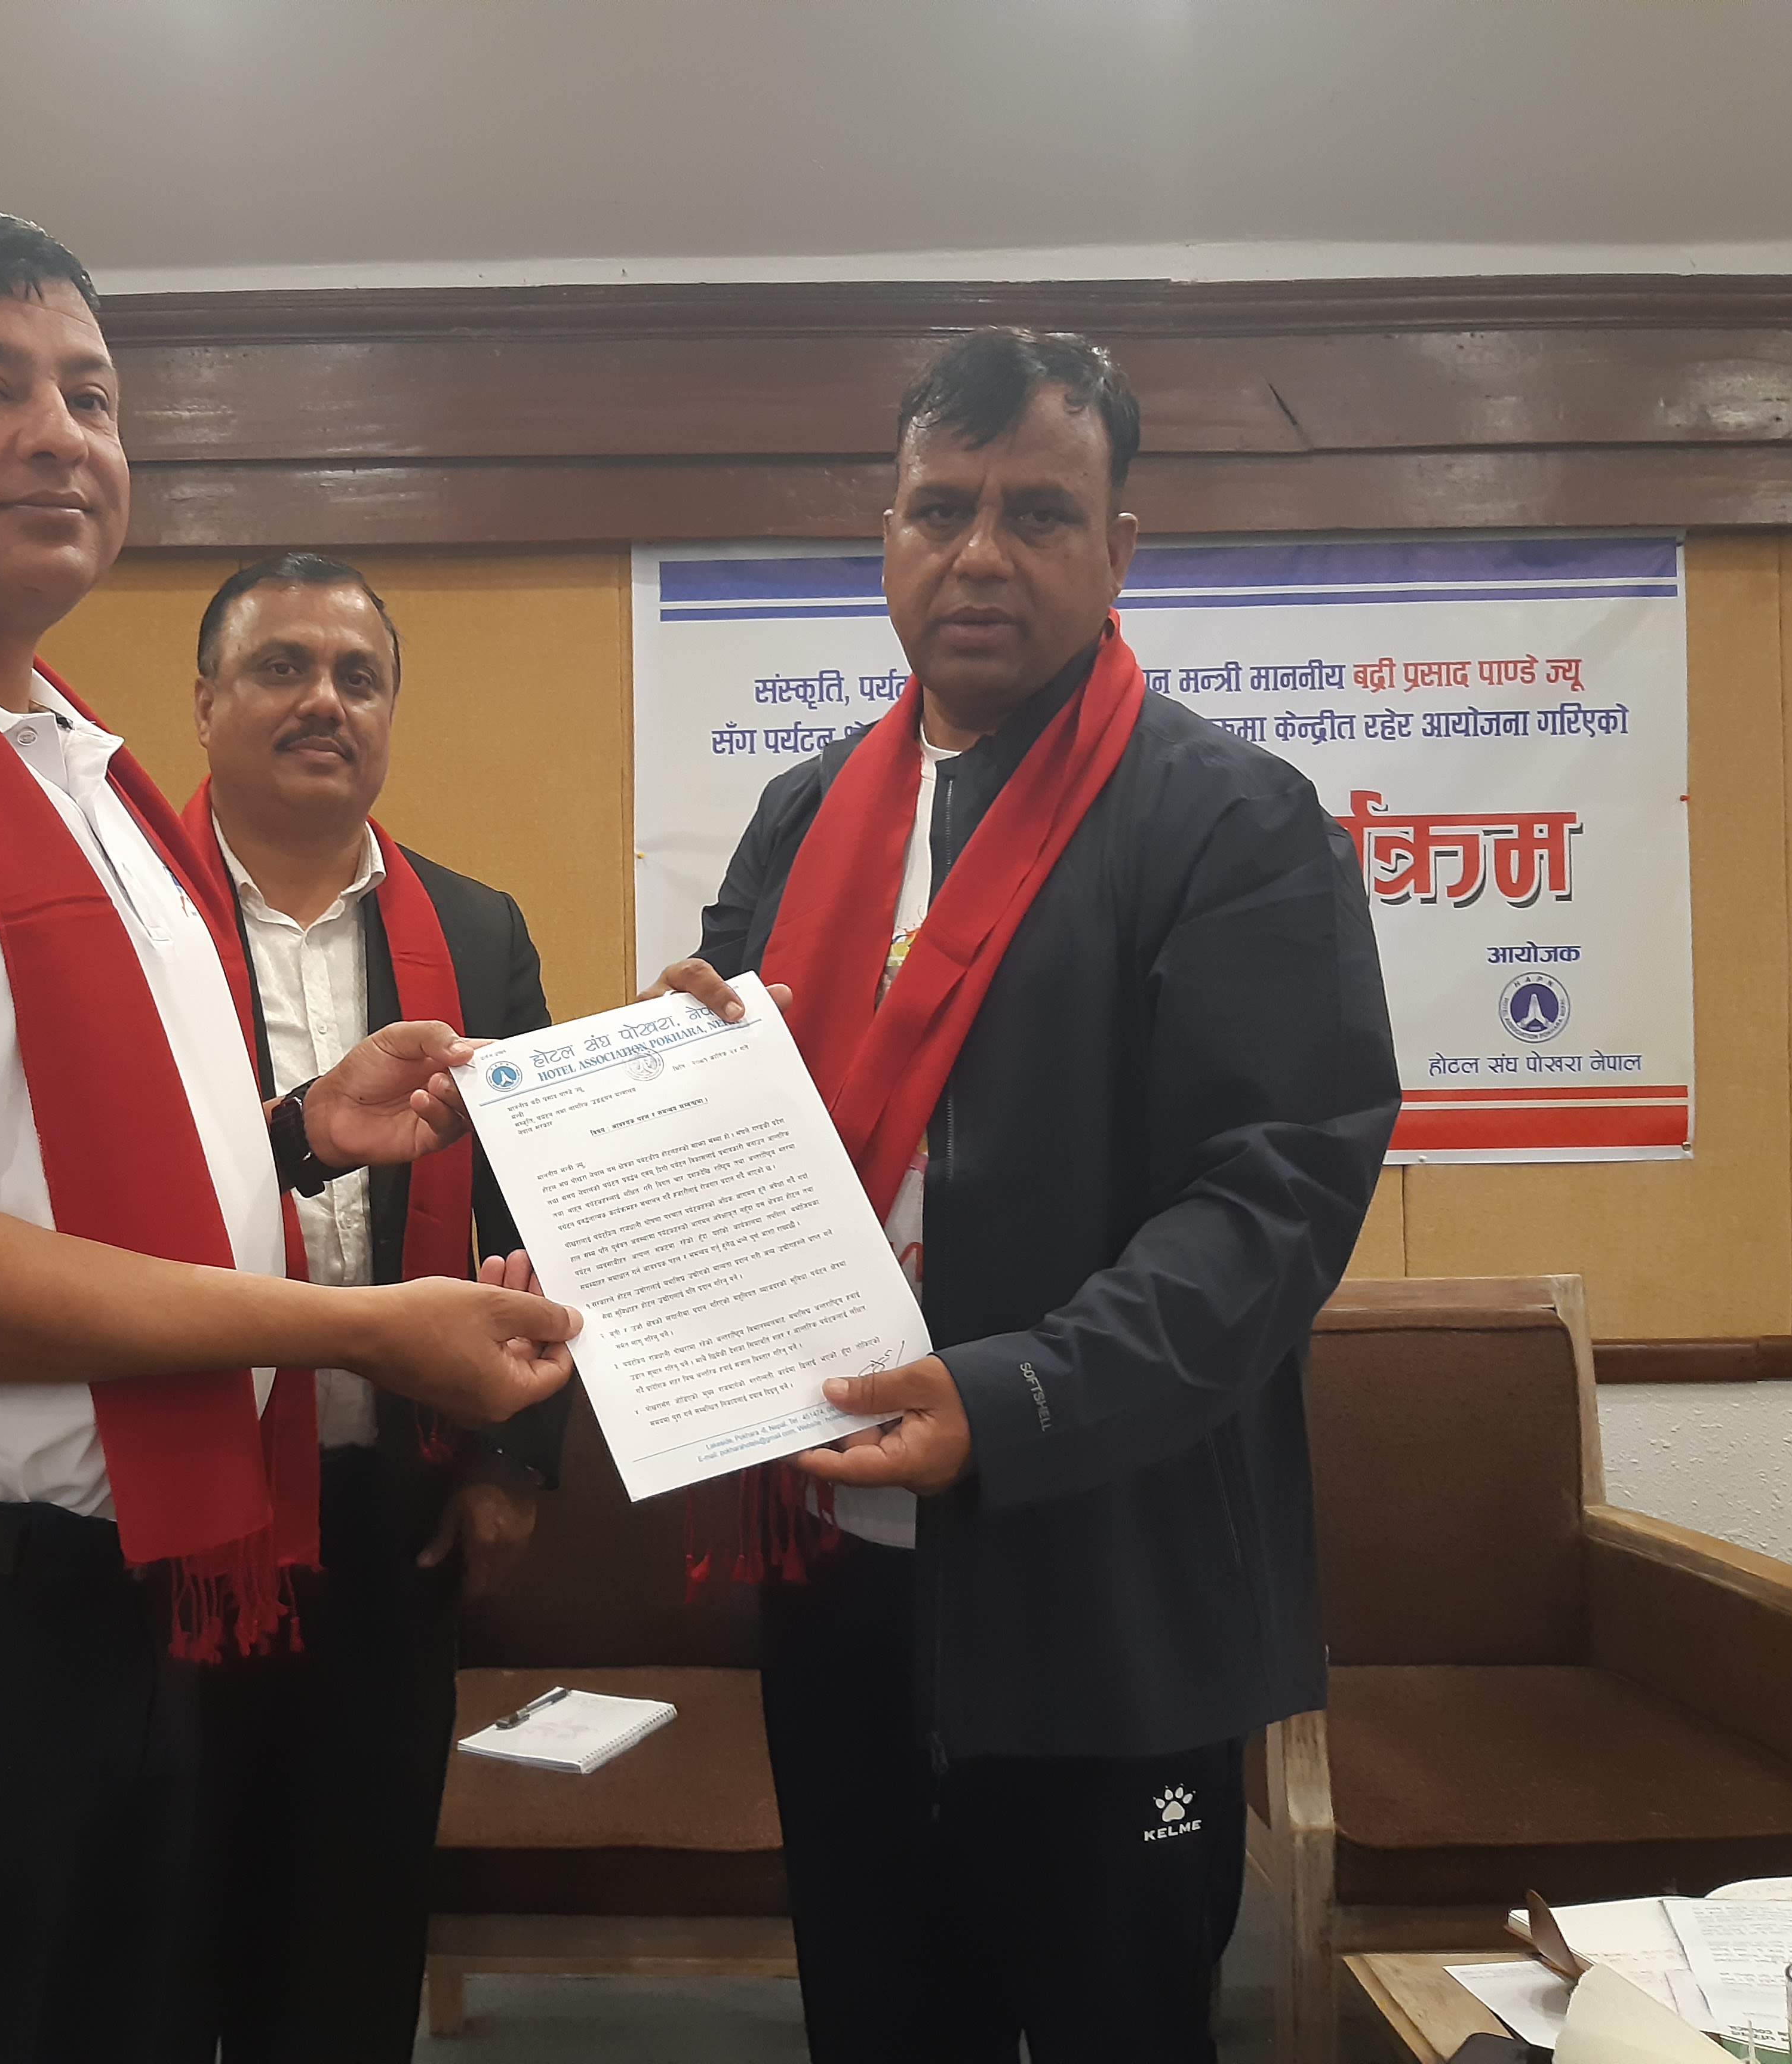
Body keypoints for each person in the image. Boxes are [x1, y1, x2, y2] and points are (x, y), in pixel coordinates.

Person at [0, 209, 575, 2064]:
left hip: (117, 1612)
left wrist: (299, 1134)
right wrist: (366, 1331)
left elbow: (50, 1163)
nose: (59, 435)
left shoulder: (68, 757)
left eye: (92, 396)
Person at [655, 327, 1398, 2062]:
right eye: (942, 509)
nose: (979, 553)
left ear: (1119, 551)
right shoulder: (800, 815)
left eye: (1037, 513)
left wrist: (1009, 1397)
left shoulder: (1235, 820)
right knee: (876, 2019)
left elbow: (1271, 1206)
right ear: (888, 537)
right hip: (838, 1560)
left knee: (1111, 2025)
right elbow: (749, 1145)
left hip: (1103, 1575)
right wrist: (656, 1119)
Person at [180, 551, 566, 2062]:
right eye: (281, 666)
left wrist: (513, 1463)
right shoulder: (124, 914)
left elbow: (538, 1213)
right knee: (167, 1918)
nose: (323, 702)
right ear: (206, 702)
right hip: (173, 1508)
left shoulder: (475, 928)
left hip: (393, 1509)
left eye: (359, 677)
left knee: (353, 1926)